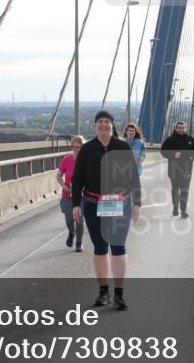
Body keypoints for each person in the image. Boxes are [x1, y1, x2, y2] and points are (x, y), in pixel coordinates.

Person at [71, 111, 141, 310]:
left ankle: (119, 294)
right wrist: (76, 204)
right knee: (100, 248)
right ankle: (103, 293)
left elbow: (133, 177)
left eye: (107, 122)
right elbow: (77, 180)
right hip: (93, 203)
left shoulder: (122, 147)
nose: (103, 125)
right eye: (100, 122)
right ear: (96, 126)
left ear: (112, 125)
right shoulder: (87, 149)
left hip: (120, 202)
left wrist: (137, 203)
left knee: (118, 247)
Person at [160, 120, 194, 217]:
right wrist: (173, 154)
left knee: (184, 190)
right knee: (175, 189)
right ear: (176, 128)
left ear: (186, 129)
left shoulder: (190, 139)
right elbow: (163, 151)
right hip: (173, 169)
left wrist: (192, 157)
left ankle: (183, 211)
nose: (181, 129)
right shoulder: (170, 139)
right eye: (179, 128)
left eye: (183, 128)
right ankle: (175, 206)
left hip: (186, 169)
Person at [56, 135, 86, 252]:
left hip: (83, 195)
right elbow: (58, 176)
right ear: (72, 147)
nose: (77, 149)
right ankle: (71, 233)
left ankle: (79, 243)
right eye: (75, 147)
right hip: (68, 196)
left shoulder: (87, 160)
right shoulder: (66, 160)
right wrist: (63, 186)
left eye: (80, 147)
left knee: (79, 219)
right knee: (69, 220)